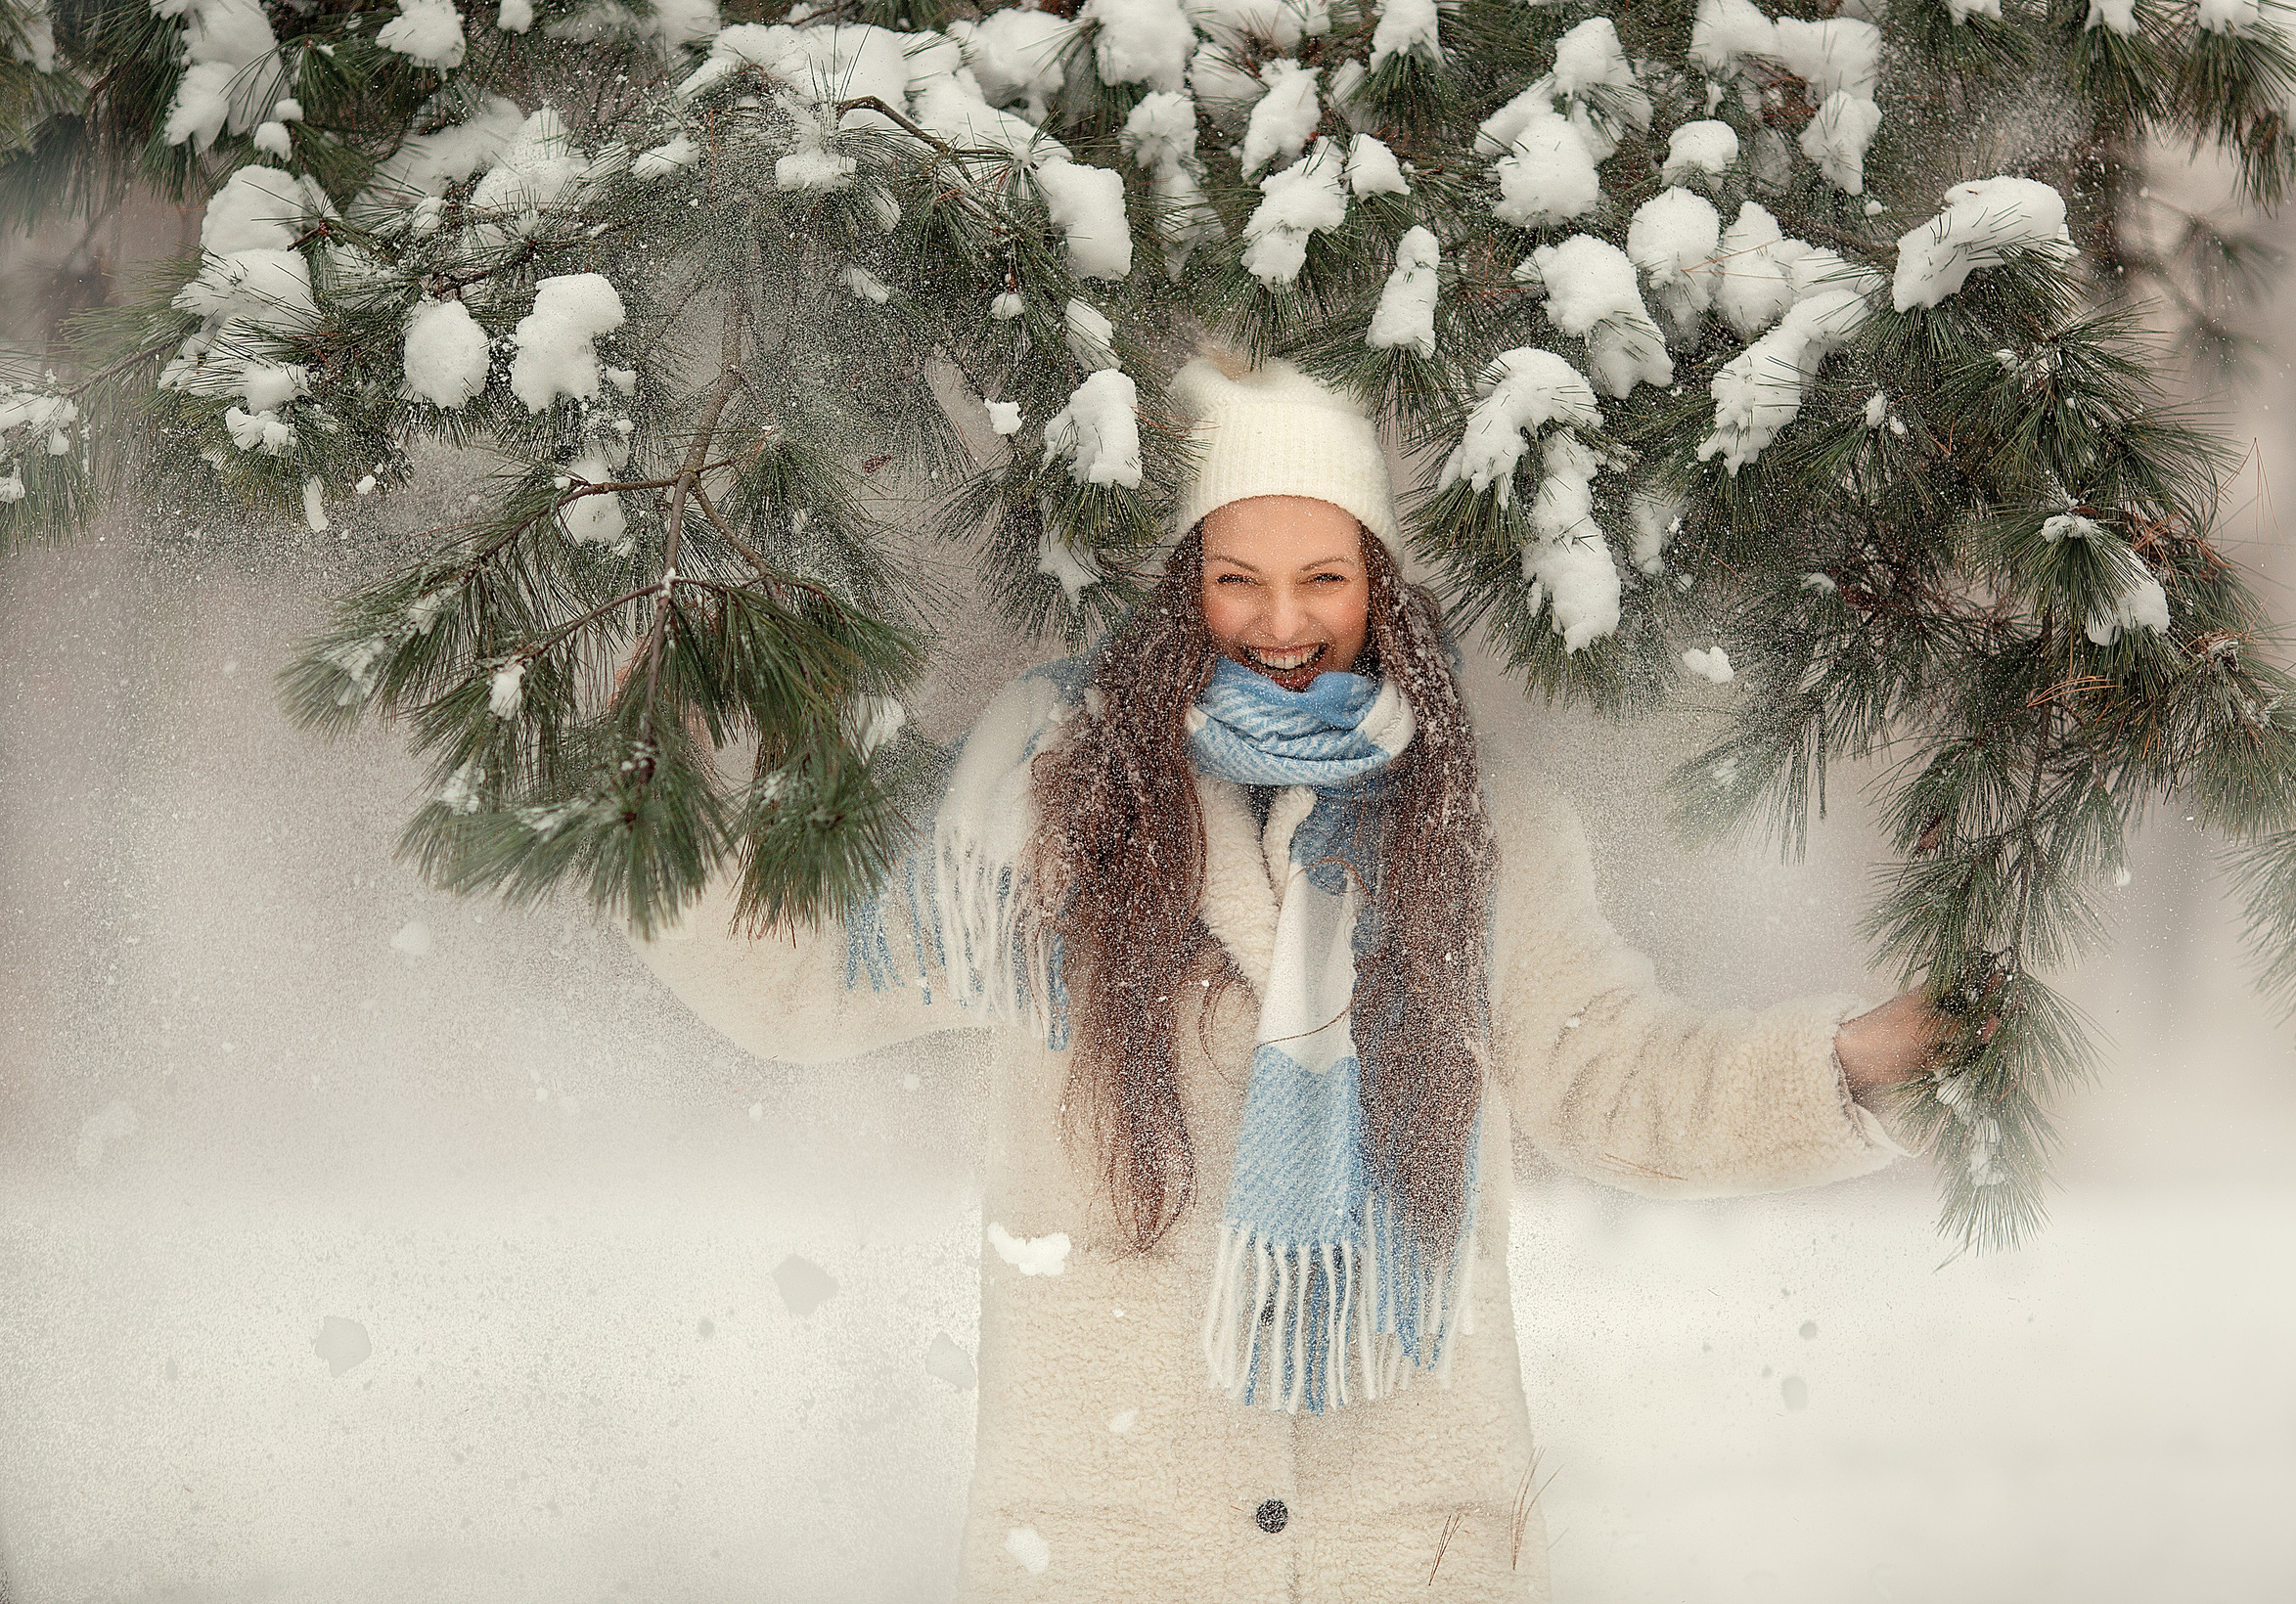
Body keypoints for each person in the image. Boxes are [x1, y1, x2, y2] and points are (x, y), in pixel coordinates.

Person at [624, 352, 1947, 1602]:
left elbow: (1615, 1077)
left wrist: (1845, 1061)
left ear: (1378, 585)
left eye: (1322, 576)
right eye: (1237, 577)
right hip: (1115, 1547)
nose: (1280, 621)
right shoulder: (1054, 815)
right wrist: (638, 785)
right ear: (1182, 584)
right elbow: (793, 973)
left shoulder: (1487, 833)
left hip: (1406, 1545)